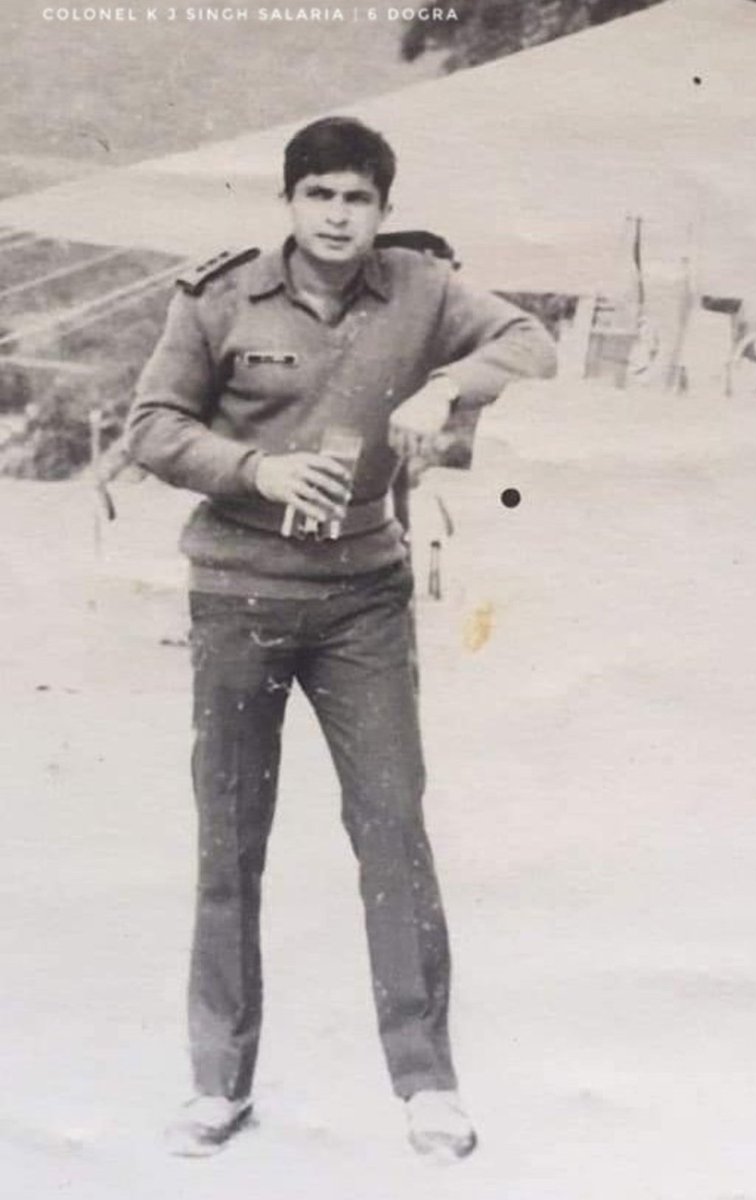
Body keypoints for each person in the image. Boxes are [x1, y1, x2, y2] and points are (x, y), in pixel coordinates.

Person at [126, 115, 556, 1161]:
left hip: (364, 596)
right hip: (239, 591)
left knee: (392, 828)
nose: (337, 216)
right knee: (231, 840)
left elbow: (530, 342)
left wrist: (448, 384)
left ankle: (427, 1083)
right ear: (289, 202)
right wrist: (254, 470)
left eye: (358, 198)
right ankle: (216, 1085)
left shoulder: (420, 286)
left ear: (382, 209)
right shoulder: (220, 295)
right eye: (318, 194)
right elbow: (151, 426)